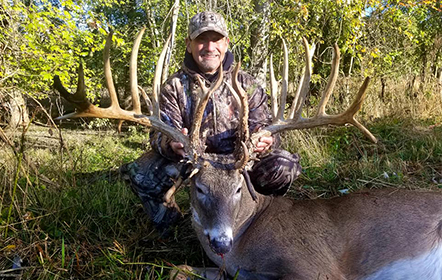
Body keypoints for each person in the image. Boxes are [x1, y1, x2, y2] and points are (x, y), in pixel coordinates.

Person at [121, 11, 301, 234]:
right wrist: (171, 143)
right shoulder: (174, 86)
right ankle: (173, 227)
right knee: (142, 173)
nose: (209, 47)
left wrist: (267, 138)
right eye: (201, 40)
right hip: (195, 164)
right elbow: (158, 134)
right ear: (189, 44)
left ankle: (257, 221)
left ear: (225, 44)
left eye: (215, 40)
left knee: (283, 166)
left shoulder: (246, 83)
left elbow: (268, 125)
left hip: (239, 163)